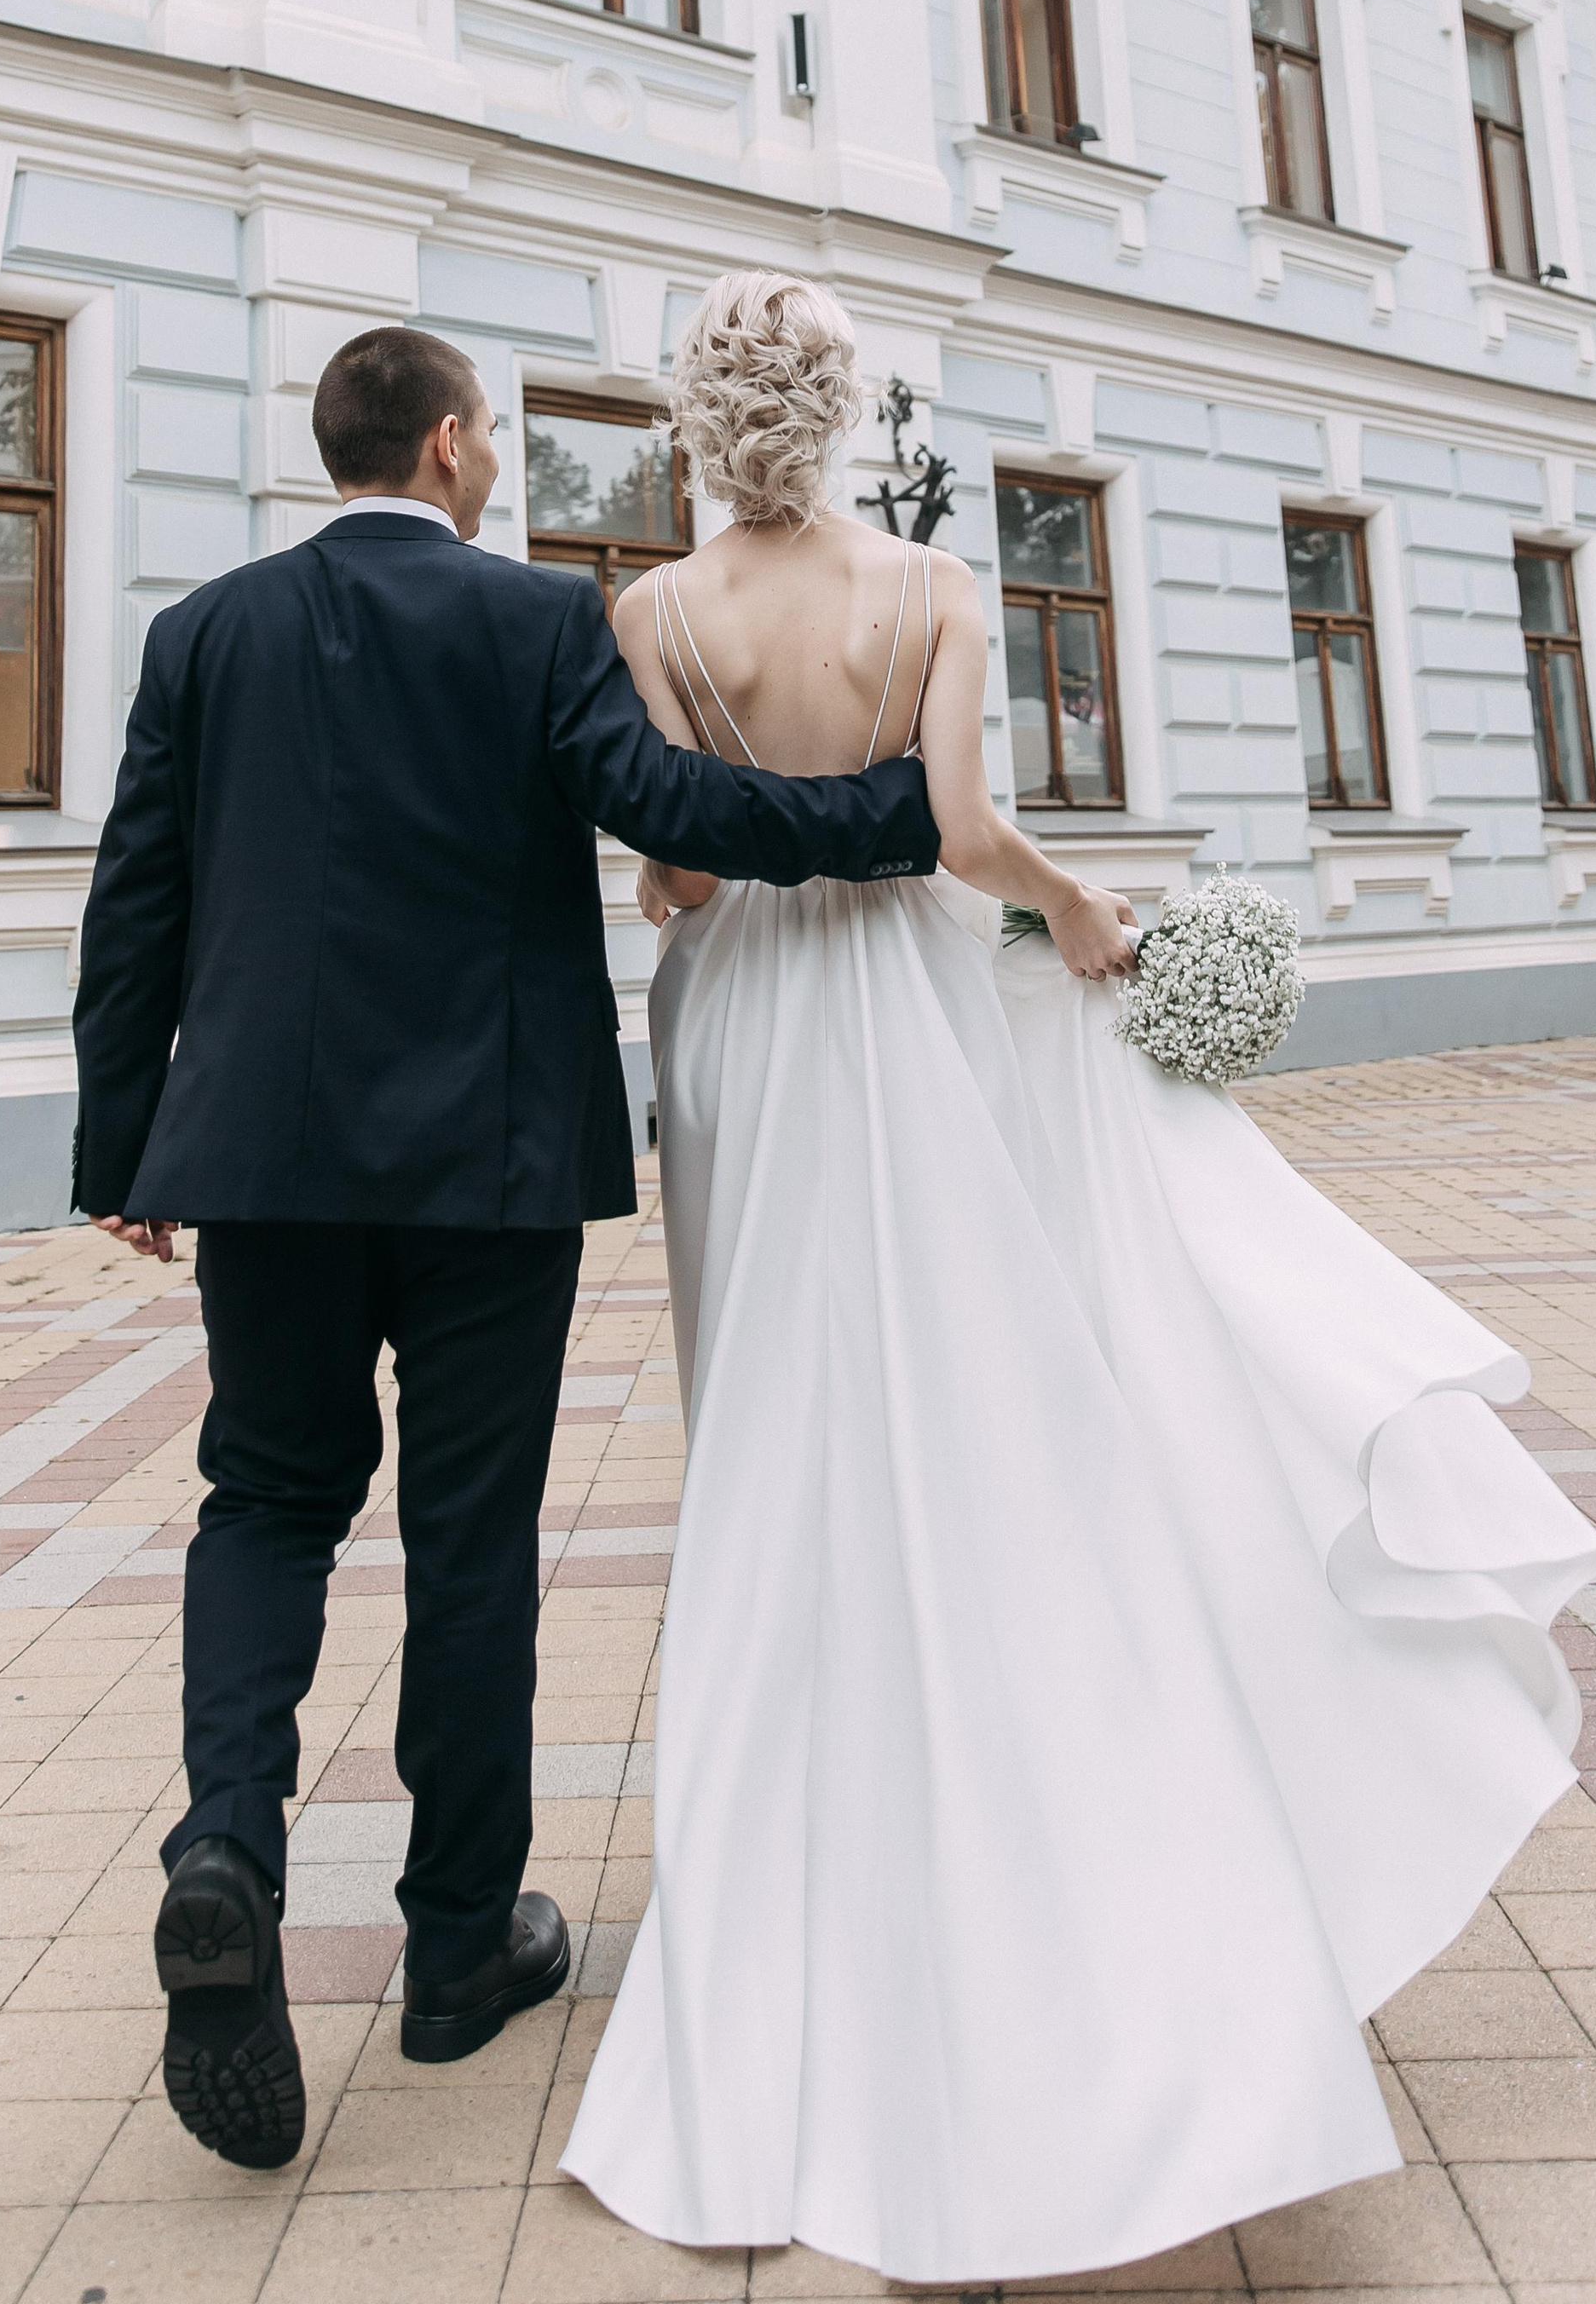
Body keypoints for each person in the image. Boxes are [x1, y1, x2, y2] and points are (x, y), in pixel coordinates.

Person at [559, 268, 1596, 2288]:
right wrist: (1079, 910)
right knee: (966, 1407)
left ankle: (777, 1930)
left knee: (773, 1435)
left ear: (696, 419)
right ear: (836, 410)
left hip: (743, 1023)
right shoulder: (929, 589)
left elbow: (674, 872)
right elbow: (958, 833)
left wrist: (730, 863)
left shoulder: (651, 615)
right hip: (910, 1008)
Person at [67, 322, 946, 2172]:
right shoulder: (537, 619)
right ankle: (460, 1950)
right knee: (468, 1542)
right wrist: (892, 811)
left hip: (265, 1164)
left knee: (266, 1500)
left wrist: (121, 1148)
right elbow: (669, 807)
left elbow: (135, 896)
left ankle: (226, 1846)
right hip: (491, 1163)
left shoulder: (202, 634)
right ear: (452, 446)